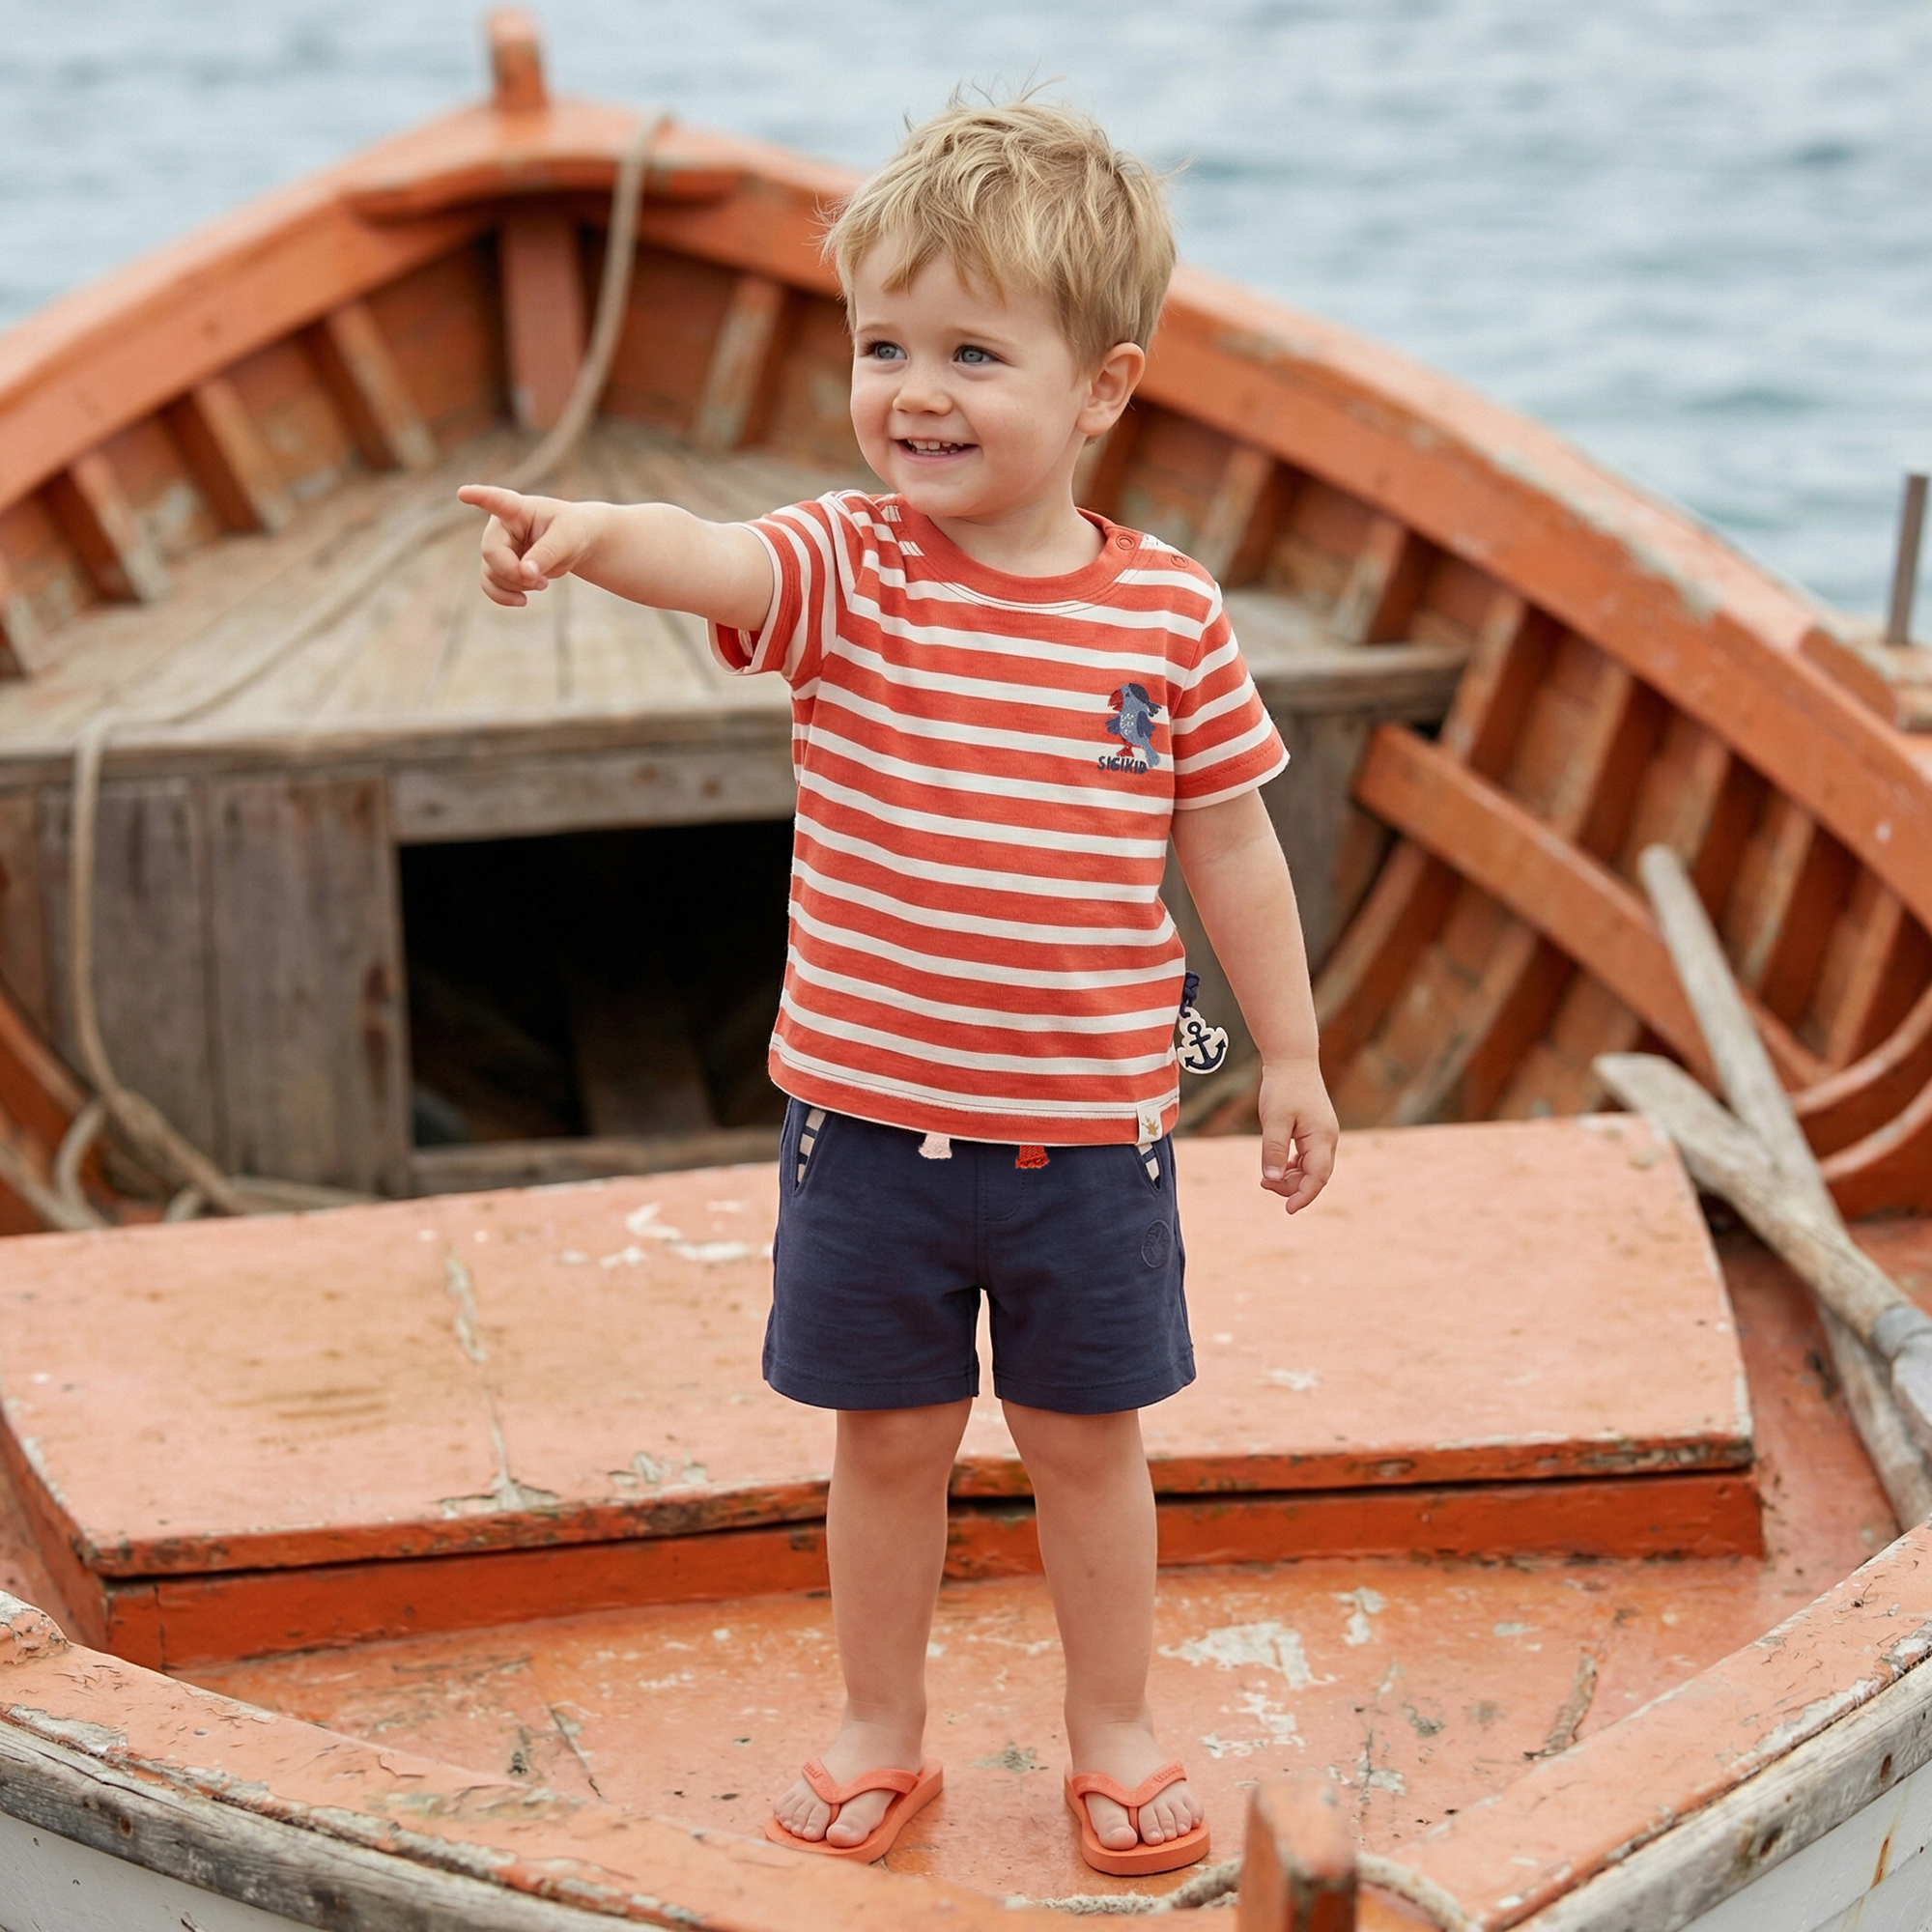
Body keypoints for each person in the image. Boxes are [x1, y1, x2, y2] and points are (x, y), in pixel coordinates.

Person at [459, 95, 1338, 1878]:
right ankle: (882, 1727)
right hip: (868, 1135)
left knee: (1092, 1449)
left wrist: (1295, 1055)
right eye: (881, 347)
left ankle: (1115, 1734)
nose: (911, 391)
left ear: (1102, 386)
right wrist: (580, 530)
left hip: (1092, 1139)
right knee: (888, 1445)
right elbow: (707, 551)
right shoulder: (850, 573)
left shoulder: (1165, 614)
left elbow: (1230, 844)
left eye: (969, 353)